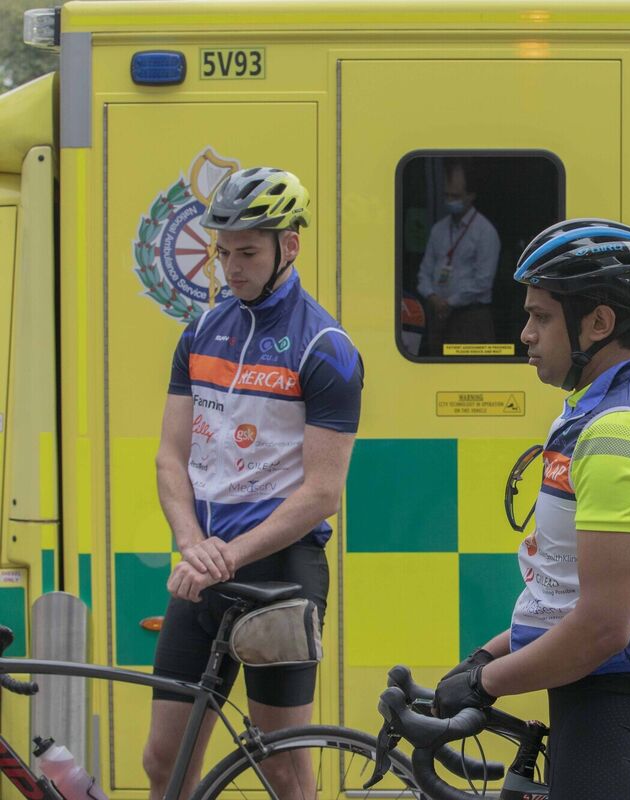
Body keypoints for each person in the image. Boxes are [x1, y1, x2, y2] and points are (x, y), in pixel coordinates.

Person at [432, 219, 630, 799]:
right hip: (611, 688)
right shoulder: (601, 403)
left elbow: (602, 627)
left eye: (540, 316)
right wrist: (483, 658)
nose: (526, 334)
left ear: (597, 322)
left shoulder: (622, 428)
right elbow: (564, 597)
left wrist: (486, 684)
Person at [144, 167, 364, 799]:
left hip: (278, 574)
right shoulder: (202, 330)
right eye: (223, 250)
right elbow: (169, 456)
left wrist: (227, 556)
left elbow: (322, 492)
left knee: (282, 767)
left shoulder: (325, 347)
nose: (231, 265)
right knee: (165, 760)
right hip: (202, 567)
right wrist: (192, 543)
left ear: (287, 247)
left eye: (247, 251)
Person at [416, 159, 502, 353]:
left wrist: (449, 302)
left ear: (471, 195)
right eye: (446, 196)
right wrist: (432, 296)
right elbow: (424, 272)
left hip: (471, 318)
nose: (450, 201)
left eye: (455, 196)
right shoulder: (438, 230)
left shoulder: (485, 232)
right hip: (438, 316)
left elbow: (483, 282)